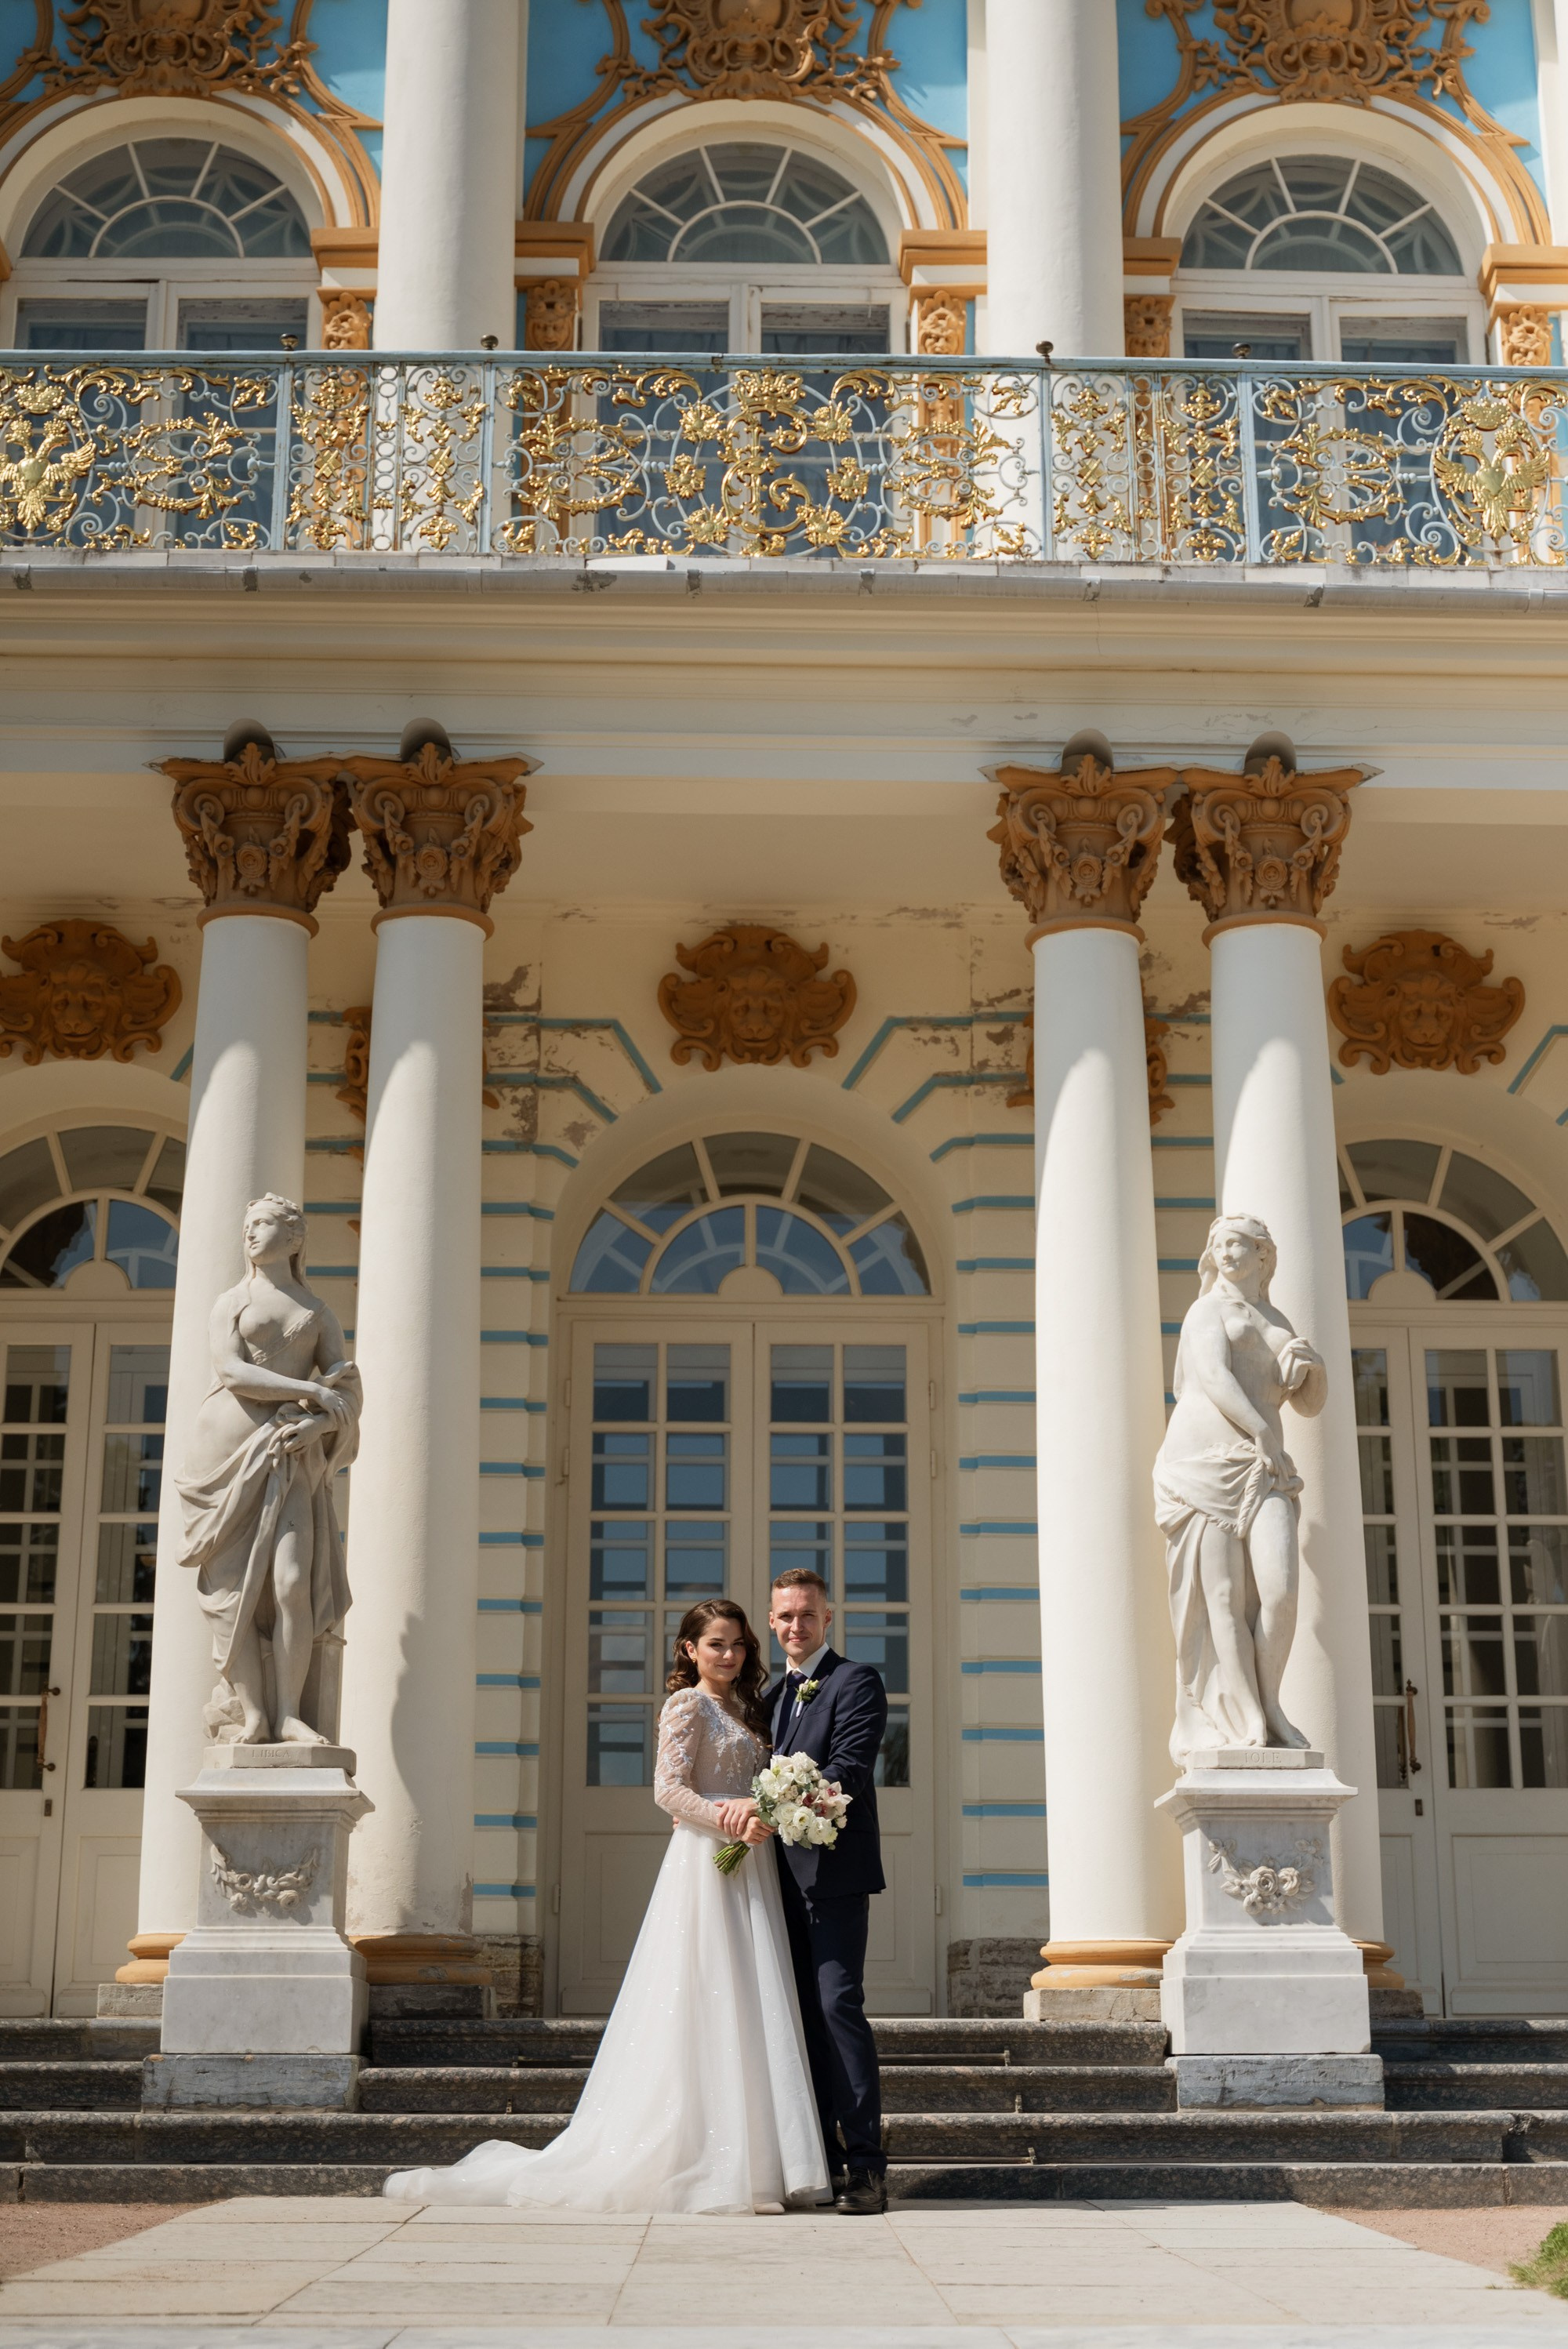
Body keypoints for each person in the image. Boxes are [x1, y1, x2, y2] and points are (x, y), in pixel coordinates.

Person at [383, 1599, 829, 2213]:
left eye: (739, 1645)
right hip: (706, 1862)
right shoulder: (686, 1705)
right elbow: (667, 1789)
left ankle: (758, 2164)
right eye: (717, 1644)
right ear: (689, 1650)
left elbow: (760, 1782)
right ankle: (703, 2165)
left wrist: (764, 1812)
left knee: (753, 2002)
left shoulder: (750, 1710)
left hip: (753, 1866)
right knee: (704, 1993)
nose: (730, 1655)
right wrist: (726, 1820)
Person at [726, 1566, 889, 2216]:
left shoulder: (856, 1682)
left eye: (808, 1614)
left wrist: (772, 1799)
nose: (796, 1625)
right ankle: (813, 2160)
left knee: (837, 2008)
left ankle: (868, 2168)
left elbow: (849, 1765)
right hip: (769, 1883)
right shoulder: (765, 1701)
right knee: (790, 2021)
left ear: (828, 1619)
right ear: (772, 1622)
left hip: (834, 1880)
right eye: (785, 1616)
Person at [176, 1194, 361, 1745]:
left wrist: (318, 1428)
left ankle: (289, 1715)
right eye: (248, 1225)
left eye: (263, 1224)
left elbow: (347, 1390)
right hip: (225, 1459)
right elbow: (232, 1371)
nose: (250, 1234)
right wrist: (309, 1392)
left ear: (295, 1238)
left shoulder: (317, 1313)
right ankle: (253, 1714)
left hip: (289, 1457)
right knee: (233, 1594)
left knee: (292, 1584)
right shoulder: (231, 1301)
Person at [1152, 1211, 1327, 1762]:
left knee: (1280, 1590)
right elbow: (1213, 1377)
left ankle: (1271, 1702)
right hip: (1204, 1463)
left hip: (1264, 1466)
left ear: (1263, 1255)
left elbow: (1307, 1404)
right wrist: (1260, 1433)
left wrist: (1313, 1369)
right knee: (1221, 1598)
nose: (1226, 1254)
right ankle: (1245, 1716)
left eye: (1238, 1245)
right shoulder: (1207, 1310)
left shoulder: (1276, 1317)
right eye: (1219, 1245)